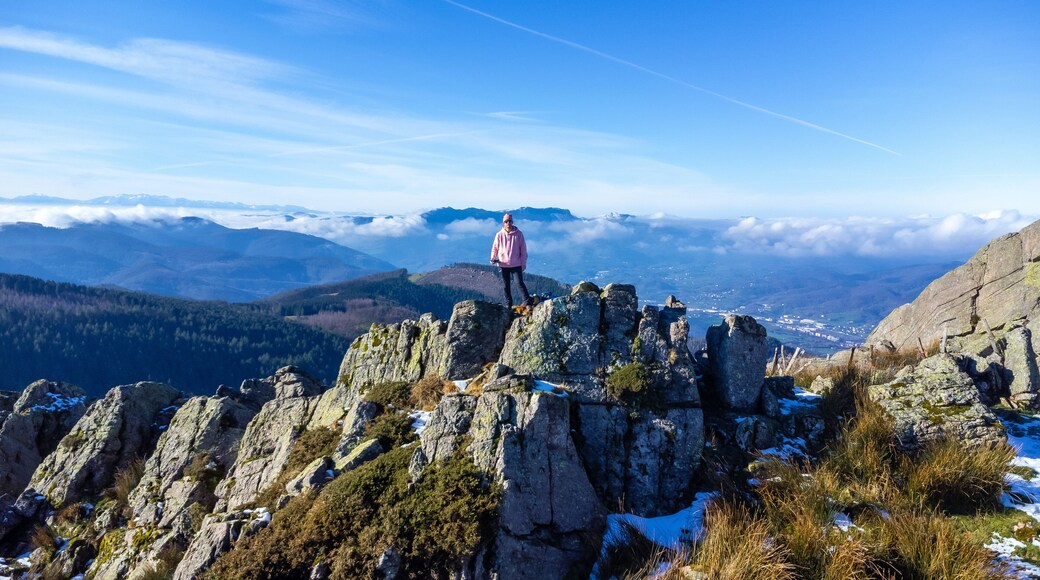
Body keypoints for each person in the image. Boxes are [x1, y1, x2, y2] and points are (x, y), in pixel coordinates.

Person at [490, 212, 531, 309]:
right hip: (503, 264)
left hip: (516, 264)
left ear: (512, 222)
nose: (508, 223)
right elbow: (495, 248)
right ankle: (508, 305)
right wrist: (493, 257)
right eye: (506, 221)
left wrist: (523, 263)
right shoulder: (499, 235)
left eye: (510, 221)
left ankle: (527, 302)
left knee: (519, 283)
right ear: (503, 223)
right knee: (505, 286)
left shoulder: (519, 234)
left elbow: (523, 250)